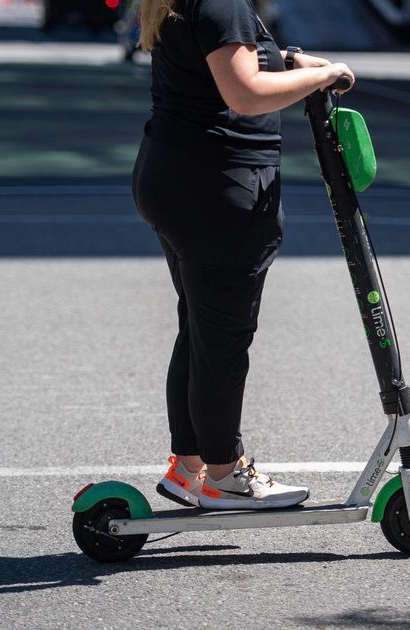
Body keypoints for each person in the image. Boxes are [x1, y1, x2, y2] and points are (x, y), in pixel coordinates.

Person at [131, 0, 354, 510]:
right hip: (217, 188)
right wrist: (328, 76)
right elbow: (246, 92)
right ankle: (226, 474)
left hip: (176, 177)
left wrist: (293, 62)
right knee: (223, 336)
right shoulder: (222, 3)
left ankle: (189, 466)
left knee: (201, 328)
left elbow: (234, 64)